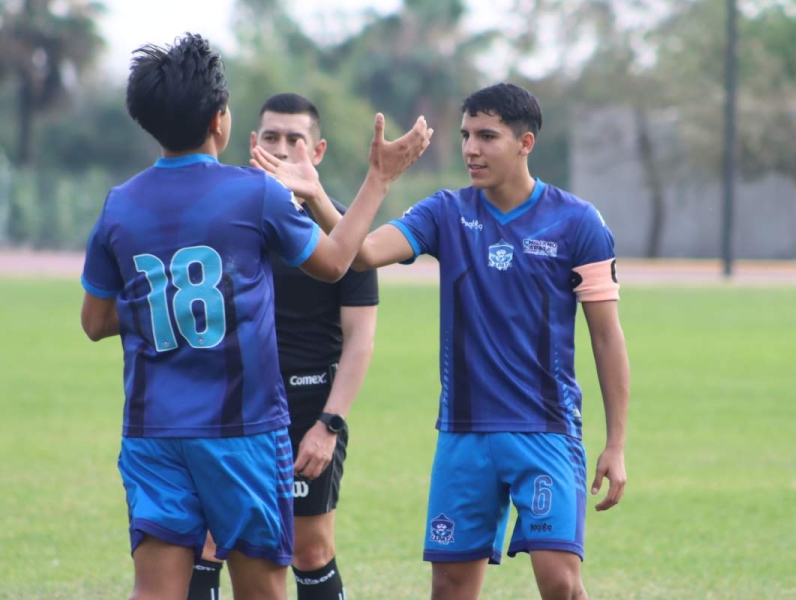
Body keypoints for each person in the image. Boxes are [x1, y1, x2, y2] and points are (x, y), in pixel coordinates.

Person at [79, 34, 430, 600]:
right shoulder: (252, 195)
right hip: (242, 431)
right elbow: (339, 260)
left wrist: (163, 296)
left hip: (153, 431)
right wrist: (379, 180)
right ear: (221, 121)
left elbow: (94, 321)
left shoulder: (120, 203)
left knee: (155, 592)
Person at [252, 82, 630, 600]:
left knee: (560, 583)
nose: (471, 148)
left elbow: (607, 339)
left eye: (487, 136)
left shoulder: (578, 223)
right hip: (463, 435)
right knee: (450, 586)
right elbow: (359, 253)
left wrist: (615, 443)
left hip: (546, 431)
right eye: (466, 135)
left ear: (526, 143)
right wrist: (321, 195)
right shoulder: (446, 213)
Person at [187, 93, 379, 600]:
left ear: (317, 151)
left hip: (308, 409)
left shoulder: (343, 228)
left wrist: (329, 424)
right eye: (271, 137)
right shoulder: (225, 220)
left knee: (309, 549)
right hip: (231, 405)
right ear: (252, 145)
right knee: (207, 540)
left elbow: (361, 338)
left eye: (296, 139)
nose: (283, 147)